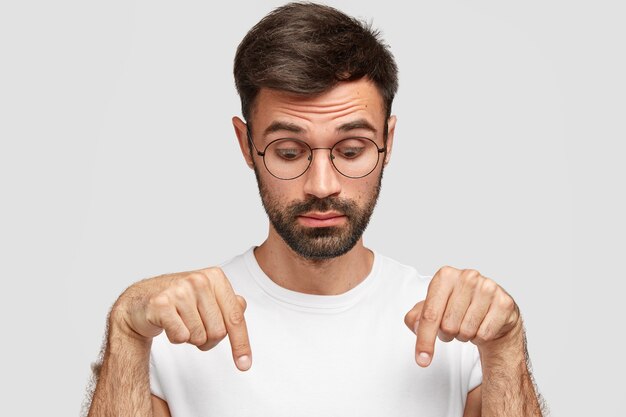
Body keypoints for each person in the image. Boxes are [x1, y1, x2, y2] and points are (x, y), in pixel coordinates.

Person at [86, 3, 545, 416]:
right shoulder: (175, 332)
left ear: (388, 142)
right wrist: (126, 328)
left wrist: (505, 347)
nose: (321, 185)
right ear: (247, 145)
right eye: (289, 152)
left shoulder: (460, 332)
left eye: (350, 150)